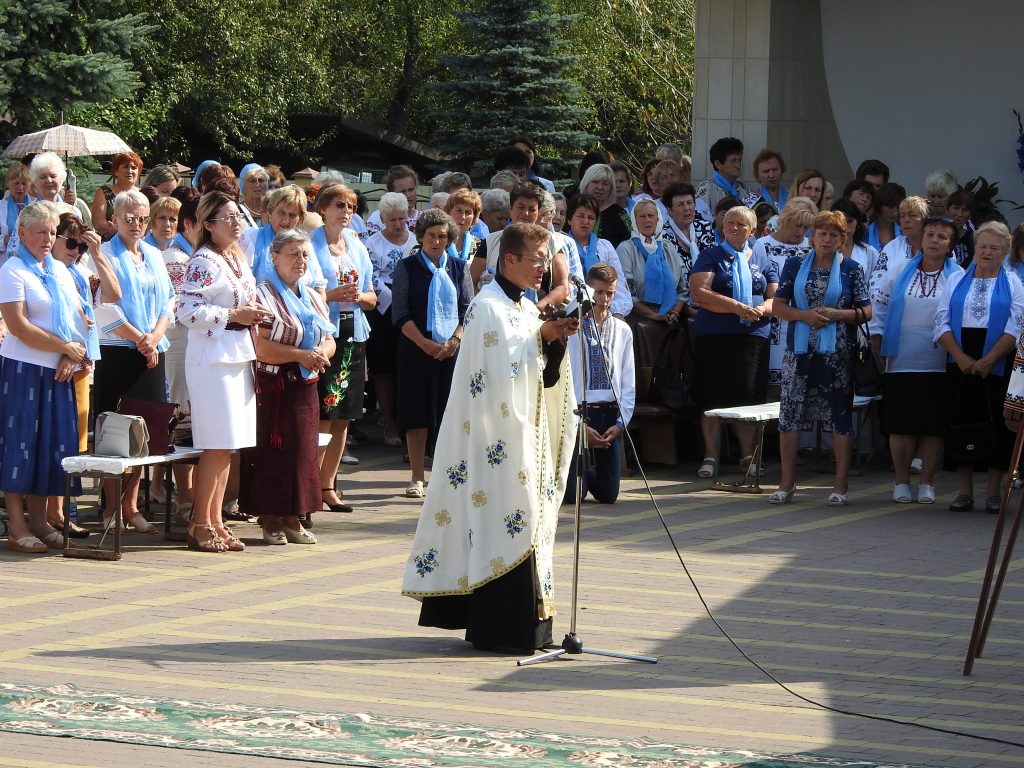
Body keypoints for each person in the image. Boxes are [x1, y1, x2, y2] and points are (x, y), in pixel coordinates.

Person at [401, 221, 578, 653]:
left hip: (526, 436)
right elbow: (497, 374)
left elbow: (536, 370)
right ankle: (502, 628)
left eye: (546, 260)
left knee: (532, 522)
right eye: (536, 260)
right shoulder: (487, 307)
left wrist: (550, 339)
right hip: (494, 442)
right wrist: (542, 336)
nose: (543, 270)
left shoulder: (525, 307)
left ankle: (532, 628)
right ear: (510, 259)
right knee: (506, 521)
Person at [177, 190, 273, 552]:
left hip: (237, 354)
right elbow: (186, 311)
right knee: (216, 445)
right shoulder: (203, 260)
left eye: (238, 216)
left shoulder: (235, 256)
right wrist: (234, 316)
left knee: (229, 446)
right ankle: (200, 523)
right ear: (208, 225)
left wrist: (255, 312)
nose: (236, 223)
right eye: (227, 217)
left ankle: (216, 520)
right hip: (212, 358)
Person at [0, 201, 91, 553]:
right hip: (24, 370)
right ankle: (18, 525)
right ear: (22, 233)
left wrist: (73, 355)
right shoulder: (12, 270)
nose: (47, 238)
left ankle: (40, 521)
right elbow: (20, 326)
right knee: (20, 444)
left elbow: (81, 318)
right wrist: (64, 348)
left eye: (52, 232)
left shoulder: (61, 271)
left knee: (50, 446)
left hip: (57, 371)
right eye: (39, 231)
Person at [769, 211, 872, 505]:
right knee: (790, 415)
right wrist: (804, 315)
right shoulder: (794, 264)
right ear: (812, 236)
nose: (826, 239)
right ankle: (787, 484)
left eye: (833, 234)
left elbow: (867, 311)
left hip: (837, 355)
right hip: (799, 353)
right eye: (821, 233)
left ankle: (840, 486)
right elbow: (778, 306)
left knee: (839, 415)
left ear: (842, 239)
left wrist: (838, 314)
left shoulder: (851, 269)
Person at [244, 229, 335, 545]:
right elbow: (261, 347)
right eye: (293, 254)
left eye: (305, 254)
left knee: (303, 452)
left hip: (306, 384)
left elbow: (328, 337)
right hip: (274, 387)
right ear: (275, 257)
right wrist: (301, 355)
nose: (301, 260)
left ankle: (294, 517)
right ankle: (270, 518)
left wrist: (321, 353)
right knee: (273, 451)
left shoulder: (311, 295)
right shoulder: (263, 295)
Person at [91, 190, 174, 534]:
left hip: (152, 351)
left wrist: (153, 336)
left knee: (144, 431)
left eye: (142, 218)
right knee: (115, 432)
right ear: (114, 219)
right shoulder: (103, 254)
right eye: (129, 218)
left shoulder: (154, 254)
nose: (137, 225)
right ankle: (112, 508)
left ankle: (132, 505)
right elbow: (102, 305)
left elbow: (169, 300)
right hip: (117, 351)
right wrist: (138, 338)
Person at [871, 216, 964, 504]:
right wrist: (877, 340)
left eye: (942, 237)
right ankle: (901, 481)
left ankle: (927, 483)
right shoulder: (900, 270)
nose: (935, 241)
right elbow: (880, 307)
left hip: (940, 363)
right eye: (931, 235)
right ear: (921, 239)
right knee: (901, 425)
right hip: (901, 359)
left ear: (950, 245)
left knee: (933, 427)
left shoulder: (958, 275)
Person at [936, 221, 1024, 513]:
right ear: (975, 248)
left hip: (997, 361)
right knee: (961, 420)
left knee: (998, 425)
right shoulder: (956, 280)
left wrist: (989, 359)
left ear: (1004, 252)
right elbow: (941, 321)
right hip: (960, 359)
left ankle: (994, 492)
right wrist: (960, 357)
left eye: (994, 248)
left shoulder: (1013, 283)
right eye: (983, 246)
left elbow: (1017, 326)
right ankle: (964, 491)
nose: (987, 252)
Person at [690, 205, 778, 479]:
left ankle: (748, 457)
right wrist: (738, 307)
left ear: (753, 230)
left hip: (753, 338)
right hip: (715, 337)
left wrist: (762, 309)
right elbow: (699, 292)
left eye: (741, 224)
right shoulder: (711, 256)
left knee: (749, 398)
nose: (735, 227)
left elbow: (776, 297)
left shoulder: (762, 259)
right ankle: (710, 456)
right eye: (730, 223)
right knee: (712, 396)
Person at [392, 208, 474, 498]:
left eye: (442, 236)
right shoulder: (407, 267)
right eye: (431, 236)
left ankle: (445, 476)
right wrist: (424, 343)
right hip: (415, 348)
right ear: (421, 237)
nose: (437, 241)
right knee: (417, 413)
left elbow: (468, 309)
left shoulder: (459, 267)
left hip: (451, 351)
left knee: (449, 413)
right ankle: (416, 477)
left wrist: (454, 340)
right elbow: (400, 313)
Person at [50, 212, 119, 536]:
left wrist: (97, 254)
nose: (76, 249)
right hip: (58, 360)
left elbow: (114, 293)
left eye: (80, 243)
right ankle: (56, 510)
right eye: (72, 242)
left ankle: (62, 509)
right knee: (56, 439)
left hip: (83, 361)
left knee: (75, 438)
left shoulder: (79, 269)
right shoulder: (50, 273)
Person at [310, 183, 376, 514]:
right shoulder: (311, 244)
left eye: (351, 206)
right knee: (326, 411)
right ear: (323, 208)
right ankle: (312, 484)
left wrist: (359, 297)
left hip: (354, 333)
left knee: (345, 416)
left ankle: (329, 485)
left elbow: (372, 296)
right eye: (339, 204)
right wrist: (333, 295)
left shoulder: (357, 246)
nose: (346, 211)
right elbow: (301, 293)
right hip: (326, 335)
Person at [565, 263, 635, 503]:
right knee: (573, 495)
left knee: (608, 494)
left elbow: (628, 380)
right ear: (588, 291)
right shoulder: (573, 328)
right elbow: (569, 377)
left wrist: (621, 422)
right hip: (582, 413)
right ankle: (575, 476)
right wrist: (576, 425)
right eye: (599, 292)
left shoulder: (623, 330)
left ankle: (589, 476)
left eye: (610, 293)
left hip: (609, 414)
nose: (605, 299)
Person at [366, 192, 418, 448]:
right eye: (393, 220)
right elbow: (372, 277)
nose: (399, 224)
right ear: (383, 219)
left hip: (410, 310)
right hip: (383, 312)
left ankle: (406, 419)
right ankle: (388, 421)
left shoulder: (416, 242)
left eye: (402, 218)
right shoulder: (373, 243)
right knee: (383, 368)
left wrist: (405, 303)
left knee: (406, 366)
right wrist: (392, 302)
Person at [752, 198, 815, 392]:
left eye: (805, 227)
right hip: (772, 324)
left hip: (802, 322)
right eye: (797, 225)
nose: (800, 232)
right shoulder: (763, 245)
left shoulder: (810, 247)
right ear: (785, 219)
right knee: (771, 388)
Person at [240, 185, 325, 291]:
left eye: (292, 215)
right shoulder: (250, 238)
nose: (286, 220)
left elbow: (319, 286)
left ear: (301, 219)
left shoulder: (306, 245)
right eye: (281, 213)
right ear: (270, 213)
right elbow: (241, 284)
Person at [617, 198, 687, 322]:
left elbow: (683, 288)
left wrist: (675, 311)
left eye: (651, 216)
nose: (647, 220)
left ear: (658, 219)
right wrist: (655, 316)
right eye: (642, 216)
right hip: (639, 320)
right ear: (634, 220)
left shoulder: (668, 247)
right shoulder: (626, 248)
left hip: (672, 318)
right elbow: (628, 292)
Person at [563, 194, 631, 316]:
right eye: (580, 216)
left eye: (591, 217)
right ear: (569, 219)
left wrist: (617, 313)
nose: (586, 221)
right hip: (573, 312)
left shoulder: (604, 246)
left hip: (606, 310)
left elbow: (619, 283)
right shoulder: (561, 244)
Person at [661, 182, 713, 299]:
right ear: (669, 210)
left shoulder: (705, 228)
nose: (687, 208)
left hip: (708, 294)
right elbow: (667, 278)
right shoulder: (663, 236)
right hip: (677, 300)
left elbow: (713, 264)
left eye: (690, 203)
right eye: (680, 204)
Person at [870, 195, 927, 300]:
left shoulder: (937, 246)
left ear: (924, 219)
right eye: (902, 216)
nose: (906, 220)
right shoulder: (891, 247)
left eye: (912, 215)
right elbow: (876, 284)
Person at [694, 137, 751, 222]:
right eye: (733, 161)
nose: (738, 165)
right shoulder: (707, 189)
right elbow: (700, 221)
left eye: (739, 160)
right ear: (718, 164)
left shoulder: (744, 189)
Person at [91, 152, 143, 239]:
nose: (130, 171)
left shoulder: (143, 194)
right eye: (125, 167)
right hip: (109, 242)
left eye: (134, 168)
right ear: (116, 171)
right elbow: (98, 223)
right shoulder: (104, 192)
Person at [578, 164, 631, 247]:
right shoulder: (574, 209)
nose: (600, 187)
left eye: (605, 184)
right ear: (586, 183)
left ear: (611, 188)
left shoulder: (620, 214)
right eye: (595, 182)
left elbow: (630, 244)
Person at [366, 165, 420, 236]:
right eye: (402, 192)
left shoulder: (423, 218)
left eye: (411, 189)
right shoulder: (377, 218)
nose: (409, 195)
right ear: (390, 193)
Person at [1, 162, 34, 256]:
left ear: (30, 184)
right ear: (8, 183)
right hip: (6, 260)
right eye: (16, 183)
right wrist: (4, 240)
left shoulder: (36, 206)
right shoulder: (1, 207)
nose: (20, 187)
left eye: (24, 183)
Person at [865, 182, 905, 254]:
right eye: (890, 207)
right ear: (879, 204)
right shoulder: (865, 229)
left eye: (898, 207)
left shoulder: (904, 231)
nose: (894, 213)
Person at [752, 148, 788, 213]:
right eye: (766, 171)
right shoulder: (751, 201)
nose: (771, 175)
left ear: (782, 171)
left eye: (775, 170)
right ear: (758, 175)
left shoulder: (793, 197)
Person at [947, 189, 975, 266]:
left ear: (970, 215)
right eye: (956, 208)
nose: (959, 214)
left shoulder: (973, 239)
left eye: (964, 210)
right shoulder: (938, 236)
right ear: (948, 210)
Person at [238, 164, 269, 229]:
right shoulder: (237, 211)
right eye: (252, 181)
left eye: (261, 180)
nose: (257, 185)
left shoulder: (272, 210)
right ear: (243, 185)